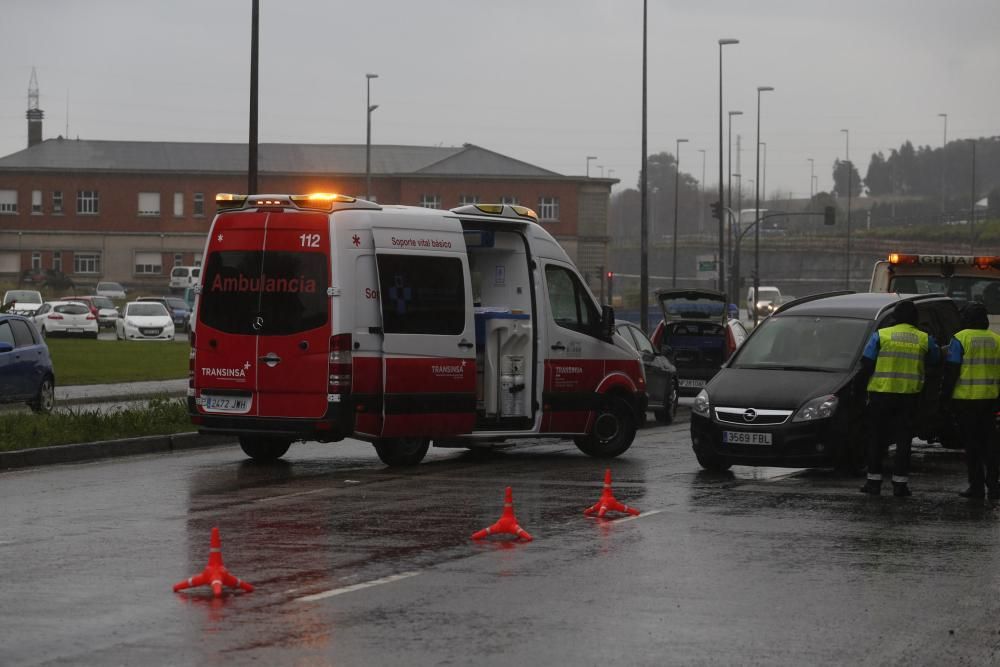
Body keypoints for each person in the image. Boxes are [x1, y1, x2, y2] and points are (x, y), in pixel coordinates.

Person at [858, 300, 940, 497]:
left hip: (880, 395)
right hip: (909, 397)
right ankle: (900, 485)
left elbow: (866, 363)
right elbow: (935, 361)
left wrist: (860, 392)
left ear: (894, 317)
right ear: (915, 318)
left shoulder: (881, 335)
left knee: (876, 439)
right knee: (904, 442)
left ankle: (873, 483)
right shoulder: (924, 338)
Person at [941, 302, 1000, 501]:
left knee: (972, 445)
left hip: (965, 401)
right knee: (991, 444)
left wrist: (945, 398)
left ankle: (976, 487)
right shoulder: (997, 340)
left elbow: (952, 371)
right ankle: (994, 486)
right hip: (990, 400)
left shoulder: (960, 339)